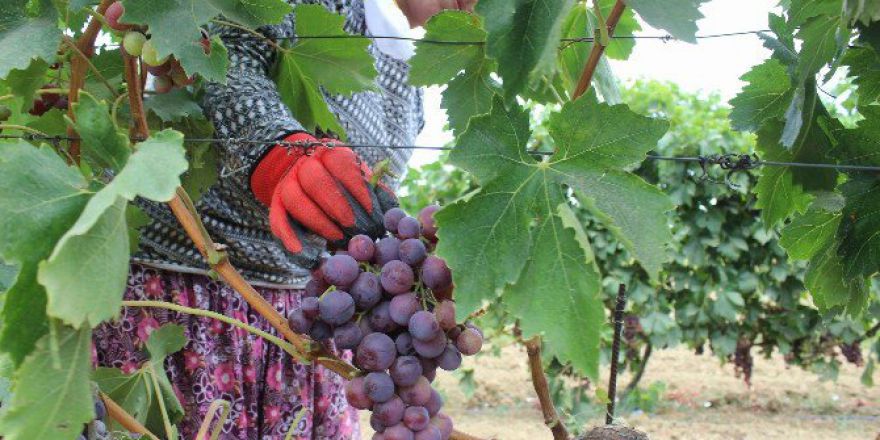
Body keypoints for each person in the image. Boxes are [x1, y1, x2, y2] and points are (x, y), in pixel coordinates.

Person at [93, 0, 474, 438]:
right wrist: (278, 153)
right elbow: (227, 58)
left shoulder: (412, 75)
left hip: (298, 317)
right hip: (184, 297)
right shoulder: (321, 6)